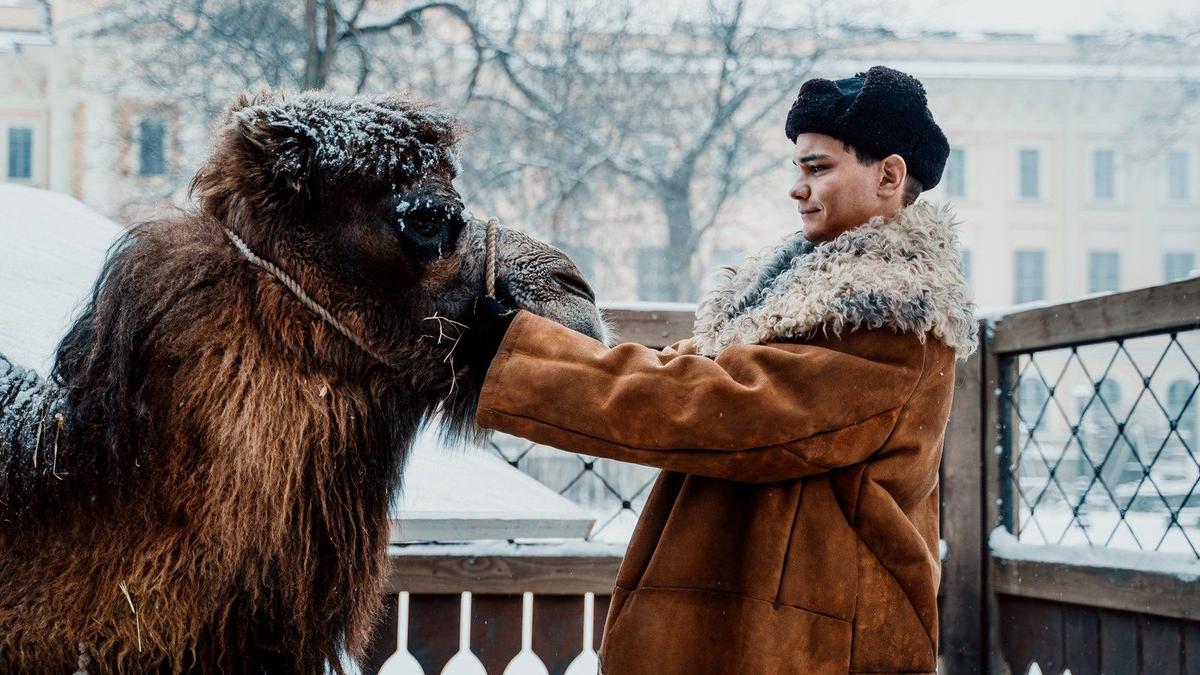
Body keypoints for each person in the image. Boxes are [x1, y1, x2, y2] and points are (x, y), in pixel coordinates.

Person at [462, 65, 977, 675]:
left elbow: (724, 409)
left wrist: (521, 360)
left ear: (889, 175)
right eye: (798, 168)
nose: (798, 187)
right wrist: (540, 345)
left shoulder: (895, 321)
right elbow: (690, 373)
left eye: (818, 168)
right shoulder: (795, 299)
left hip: (814, 646)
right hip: (761, 629)